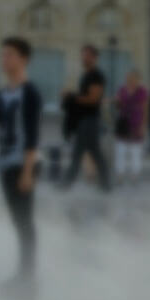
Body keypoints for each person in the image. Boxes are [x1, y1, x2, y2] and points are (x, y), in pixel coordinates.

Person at [0, 38, 43, 291]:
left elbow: (33, 135)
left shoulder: (30, 92)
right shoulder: (3, 94)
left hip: (23, 165)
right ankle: (24, 275)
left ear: (24, 59)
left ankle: (27, 277)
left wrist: (27, 172)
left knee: (25, 222)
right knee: (18, 221)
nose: (4, 60)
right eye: (3, 55)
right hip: (6, 164)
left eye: (10, 55)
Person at [61, 45, 112, 192]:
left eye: (87, 55)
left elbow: (94, 99)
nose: (83, 58)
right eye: (83, 55)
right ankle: (106, 185)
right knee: (95, 153)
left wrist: (72, 97)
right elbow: (84, 97)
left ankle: (66, 184)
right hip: (84, 120)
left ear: (95, 58)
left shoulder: (96, 76)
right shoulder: (86, 75)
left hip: (89, 121)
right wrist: (72, 96)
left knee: (78, 153)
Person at [113, 70, 149, 186]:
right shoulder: (122, 89)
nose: (130, 80)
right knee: (120, 150)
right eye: (128, 78)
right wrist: (116, 102)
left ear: (138, 79)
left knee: (135, 151)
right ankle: (120, 175)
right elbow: (118, 106)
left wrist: (143, 126)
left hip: (136, 123)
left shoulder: (142, 91)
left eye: (133, 78)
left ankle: (135, 175)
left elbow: (145, 109)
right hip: (123, 123)